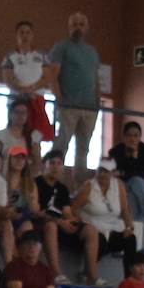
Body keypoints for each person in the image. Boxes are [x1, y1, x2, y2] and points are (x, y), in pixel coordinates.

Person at [44, 12, 101, 170]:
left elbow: (95, 78)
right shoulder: (61, 47)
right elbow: (52, 75)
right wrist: (60, 100)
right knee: (61, 145)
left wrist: (97, 102)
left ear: (86, 27)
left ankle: (80, 182)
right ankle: (52, 178)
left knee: (84, 149)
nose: (78, 28)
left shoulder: (92, 52)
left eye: (81, 25)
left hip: (89, 108)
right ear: (69, 27)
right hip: (68, 106)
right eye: (74, 25)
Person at [72, 161, 135, 286]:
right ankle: (88, 274)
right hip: (92, 230)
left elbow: (124, 209)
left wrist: (129, 227)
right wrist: (80, 223)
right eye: (100, 171)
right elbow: (72, 208)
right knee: (98, 238)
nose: (102, 174)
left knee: (130, 239)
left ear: (112, 173)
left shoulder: (118, 185)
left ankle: (130, 281)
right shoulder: (88, 186)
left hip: (110, 230)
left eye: (106, 171)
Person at [0, 20, 54, 148]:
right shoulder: (10, 56)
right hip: (17, 101)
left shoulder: (41, 55)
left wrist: (32, 88)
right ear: (17, 35)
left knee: (36, 136)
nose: (25, 35)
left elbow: (47, 77)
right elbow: (9, 79)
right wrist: (24, 90)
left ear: (32, 35)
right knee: (16, 132)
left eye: (28, 32)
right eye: (22, 33)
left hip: (36, 100)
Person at [108, 120, 144, 231]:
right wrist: (131, 158)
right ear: (124, 136)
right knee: (132, 186)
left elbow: (141, 172)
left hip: (137, 186)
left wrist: (132, 159)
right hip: (120, 186)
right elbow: (118, 174)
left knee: (135, 185)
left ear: (140, 136)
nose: (132, 139)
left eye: (135, 136)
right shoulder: (115, 151)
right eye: (129, 135)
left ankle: (131, 231)